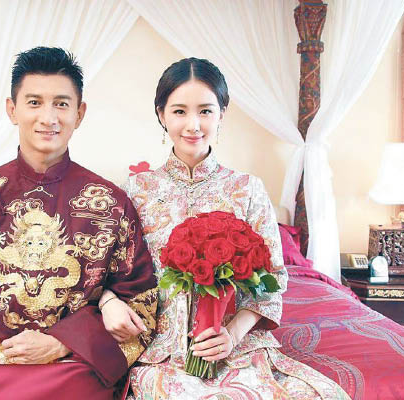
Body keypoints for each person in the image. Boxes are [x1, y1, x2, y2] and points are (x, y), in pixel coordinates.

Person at [0, 47, 158, 400]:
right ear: (12, 109)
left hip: (70, 366)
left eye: (61, 104)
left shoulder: (110, 203)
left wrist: (62, 342)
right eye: (34, 102)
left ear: (79, 113)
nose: (48, 117)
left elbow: (139, 302)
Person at [101, 58, 351, 399]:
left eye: (205, 111)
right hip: (160, 349)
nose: (193, 125)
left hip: (236, 345)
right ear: (161, 114)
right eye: (179, 111)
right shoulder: (135, 190)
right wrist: (109, 302)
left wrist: (232, 335)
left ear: (222, 113)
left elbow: (271, 281)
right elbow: (105, 272)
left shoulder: (247, 189)